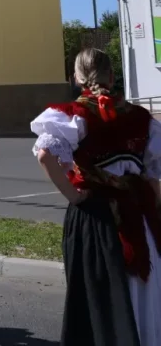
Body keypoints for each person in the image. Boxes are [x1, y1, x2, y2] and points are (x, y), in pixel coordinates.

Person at [32, 48, 161, 346]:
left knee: (101, 294)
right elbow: (152, 179)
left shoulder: (72, 115)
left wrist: (74, 197)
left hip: (97, 219)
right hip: (138, 216)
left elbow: (45, 154)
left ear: (76, 79)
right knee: (144, 290)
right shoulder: (142, 118)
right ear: (113, 77)